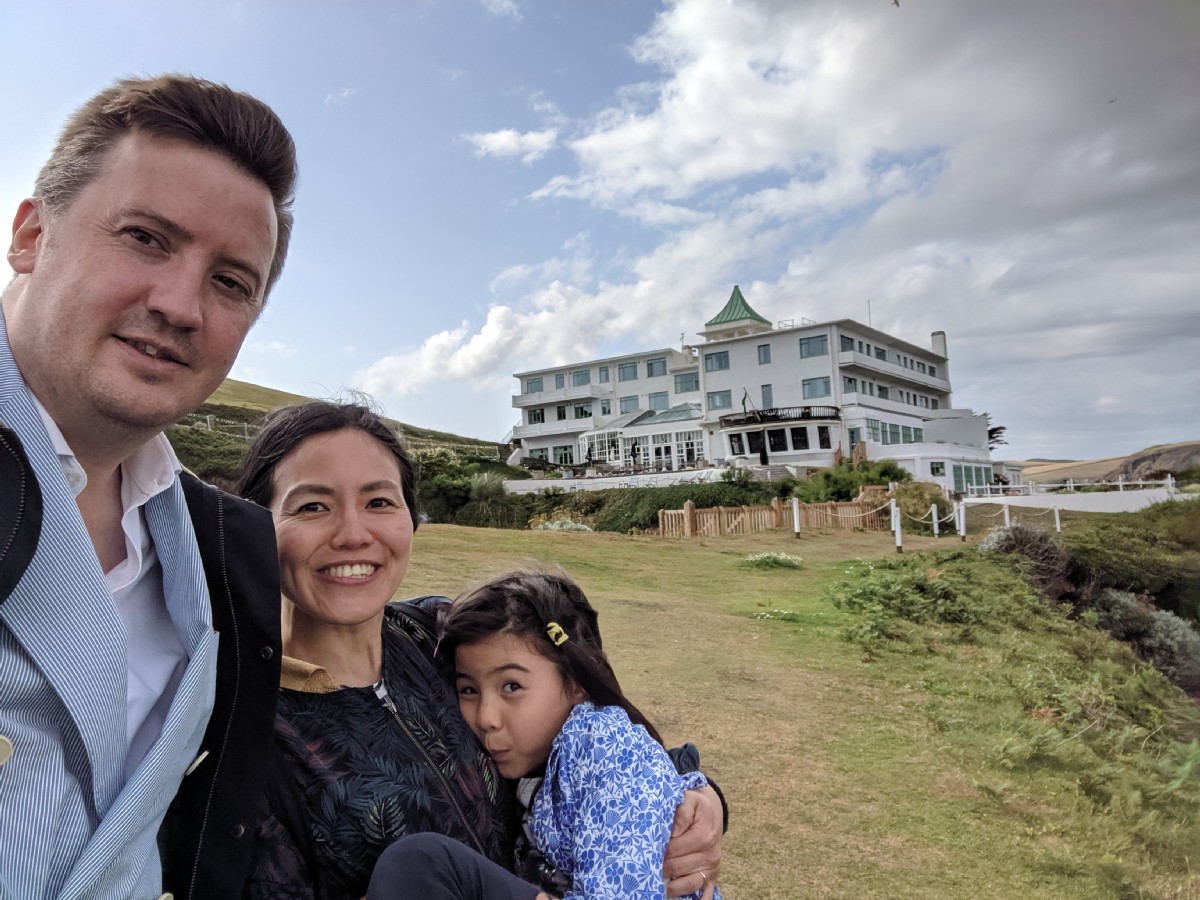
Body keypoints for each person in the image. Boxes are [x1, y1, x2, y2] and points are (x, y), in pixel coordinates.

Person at [232, 400, 724, 900]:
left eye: (378, 502)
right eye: (312, 506)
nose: (354, 535)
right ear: (254, 526)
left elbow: (590, 730)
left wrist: (699, 799)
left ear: (409, 518)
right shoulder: (242, 727)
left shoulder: (443, 632)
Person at [0, 75, 296, 898]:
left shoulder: (212, 543)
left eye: (231, 282)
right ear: (31, 235)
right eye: (145, 238)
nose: (181, 305)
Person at [438, 571, 721, 900]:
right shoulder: (543, 761)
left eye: (512, 686)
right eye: (468, 689)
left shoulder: (608, 752)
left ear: (575, 683)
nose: (486, 717)